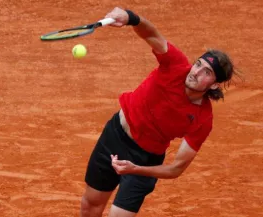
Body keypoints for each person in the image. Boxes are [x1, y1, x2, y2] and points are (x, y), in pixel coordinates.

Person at [80, 7, 236, 217]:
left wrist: (134, 169)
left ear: (215, 85)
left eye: (206, 72)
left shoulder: (202, 119)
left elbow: (175, 169)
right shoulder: (176, 65)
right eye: (198, 64)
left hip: (145, 160)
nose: (195, 72)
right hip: (115, 136)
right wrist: (130, 18)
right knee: (90, 206)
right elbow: (152, 34)